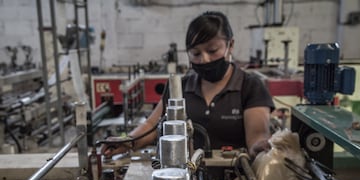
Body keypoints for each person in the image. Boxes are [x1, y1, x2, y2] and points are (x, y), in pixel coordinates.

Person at [101, 11, 274, 158]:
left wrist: (260, 146)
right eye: (195, 53)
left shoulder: (250, 86)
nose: (204, 59)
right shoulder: (179, 87)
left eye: (212, 50)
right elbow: (151, 126)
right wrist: (127, 141)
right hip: (186, 179)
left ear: (231, 45)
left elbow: (257, 135)